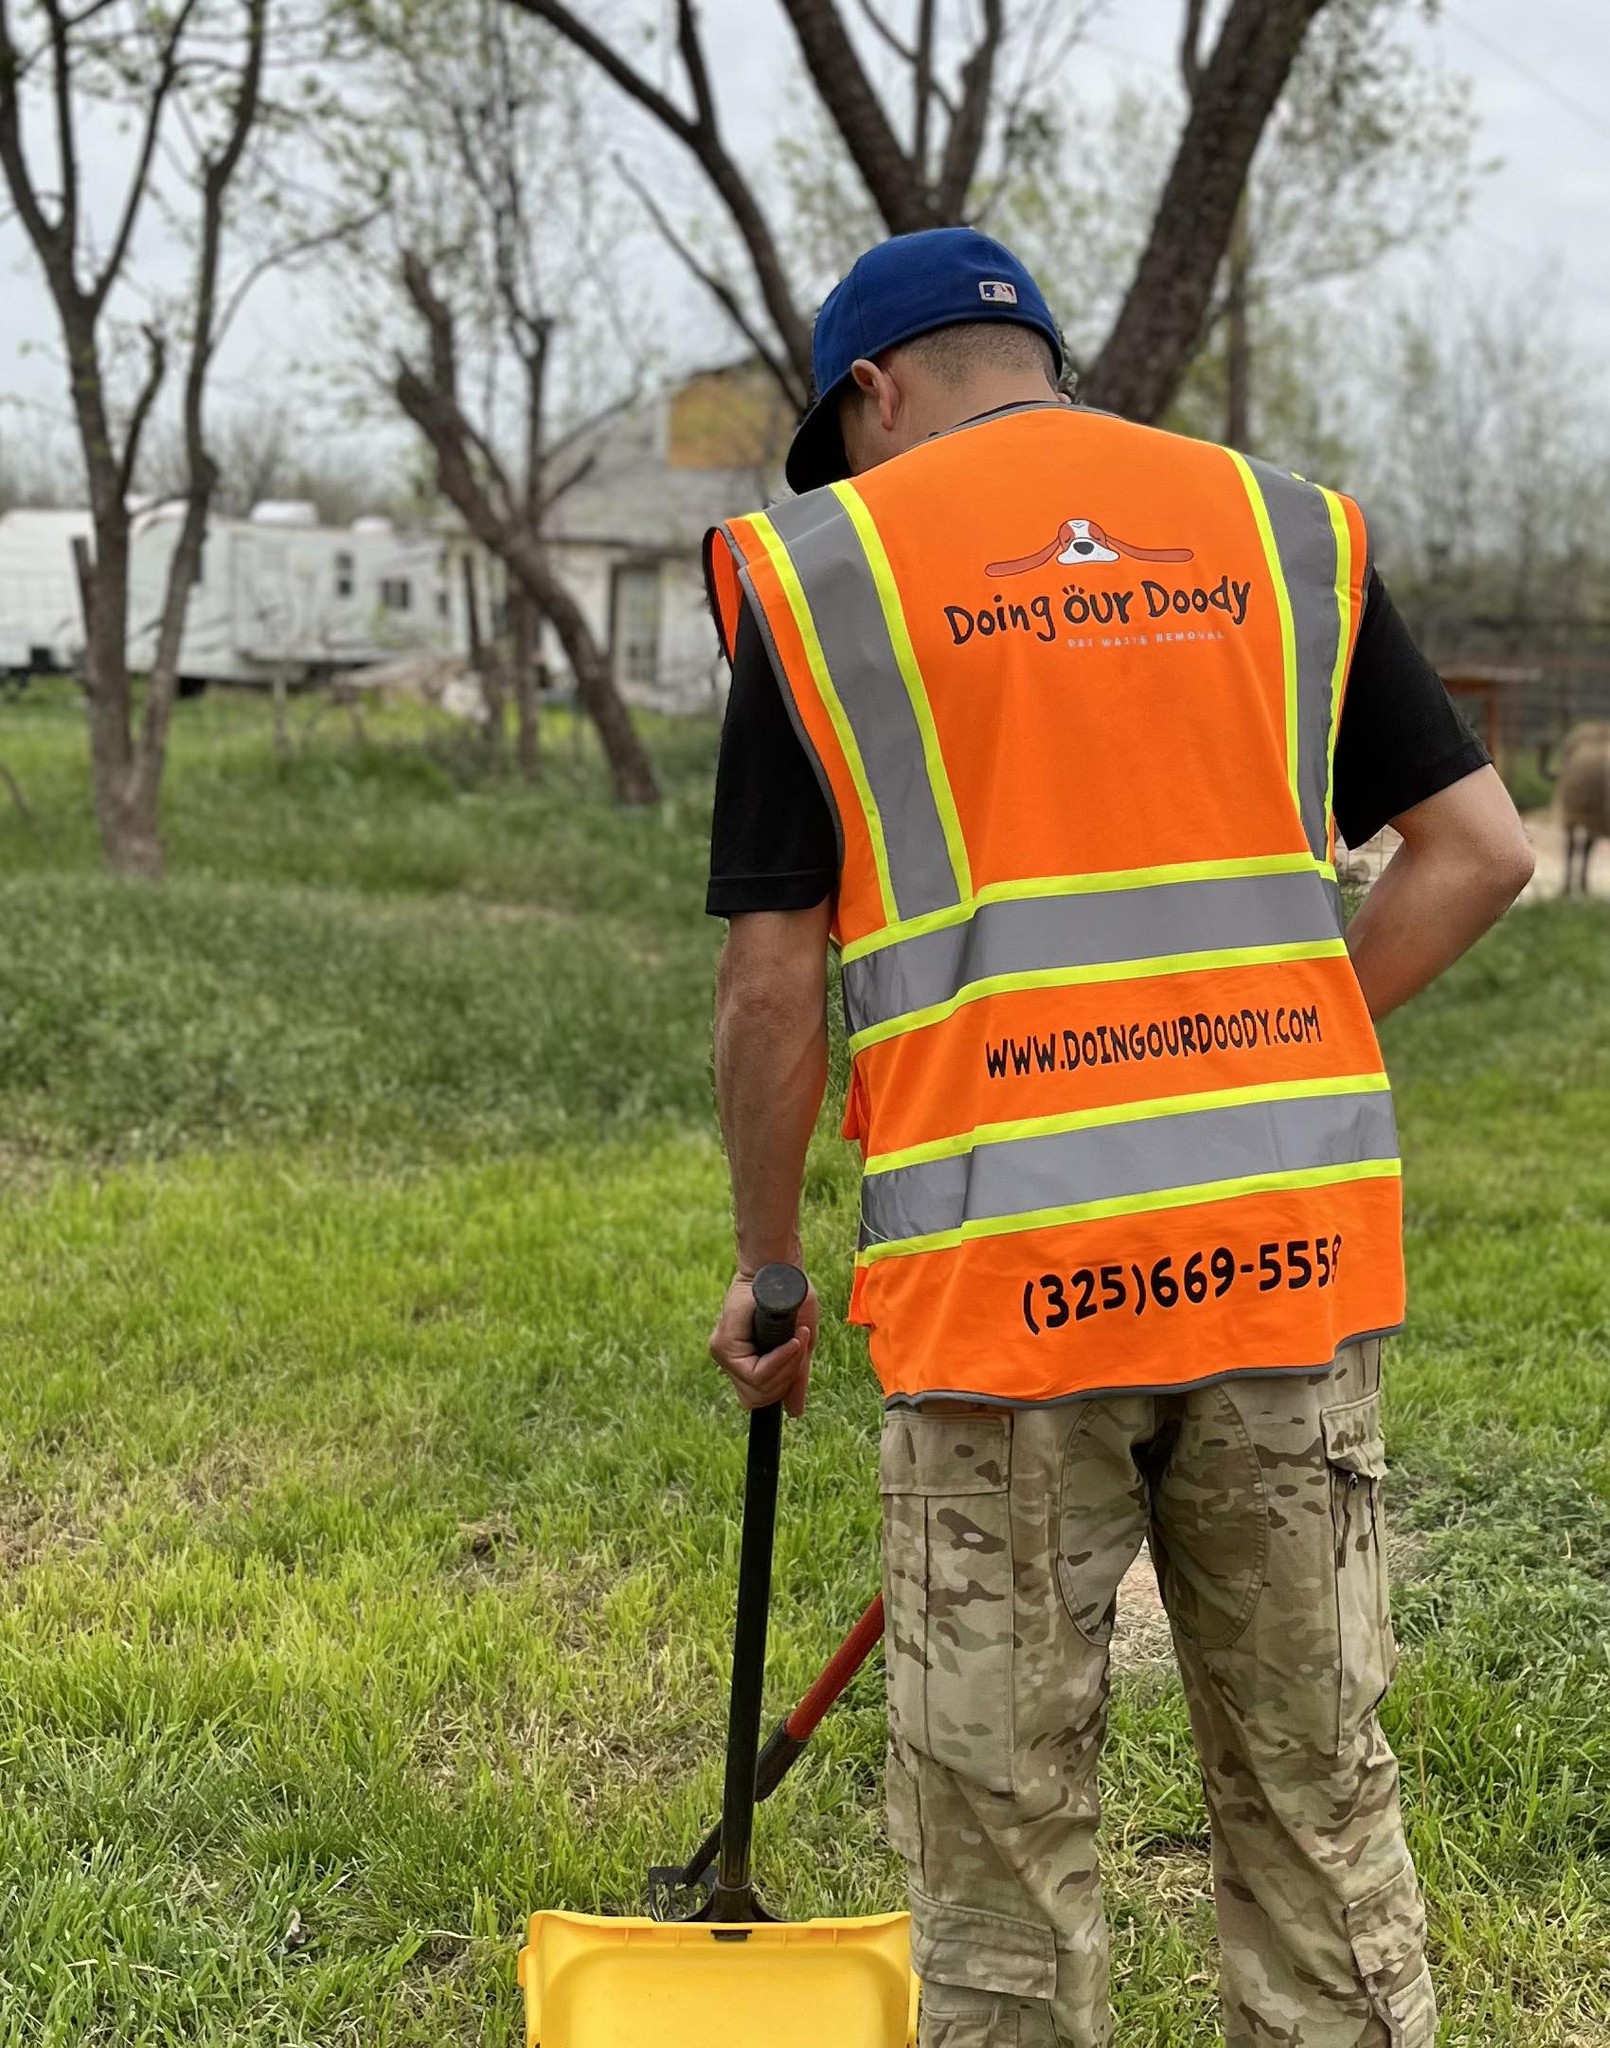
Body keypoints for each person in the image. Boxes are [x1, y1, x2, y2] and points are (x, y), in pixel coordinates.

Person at [702, 227, 1534, 2048]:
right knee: (1320, 1805)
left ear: (870, 391)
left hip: (1005, 1298)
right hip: (1281, 1265)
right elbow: (1478, 852)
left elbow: (777, 979)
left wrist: (770, 1263)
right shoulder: (1278, 531)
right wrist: (1268, 1038)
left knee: (1002, 1842)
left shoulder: (819, 569)